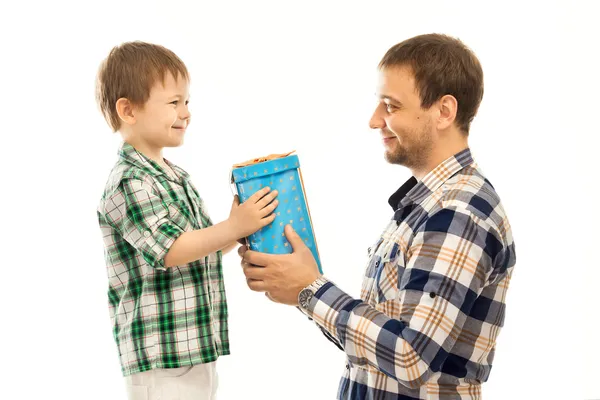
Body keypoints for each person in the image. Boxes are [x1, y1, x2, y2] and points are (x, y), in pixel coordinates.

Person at [239, 33, 516, 399]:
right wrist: (300, 288)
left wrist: (310, 288)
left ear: (444, 111)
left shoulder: (458, 212)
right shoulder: (427, 206)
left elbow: (411, 357)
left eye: (391, 106)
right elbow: (377, 347)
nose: (374, 120)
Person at [96, 41, 278, 400]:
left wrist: (237, 228)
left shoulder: (174, 176)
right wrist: (233, 227)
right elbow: (170, 251)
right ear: (128, 110)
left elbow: (197, 244)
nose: (186, 112)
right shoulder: (129, 181)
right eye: (173, 102)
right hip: (161, 358)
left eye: (187, 102)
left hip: (192, 347)